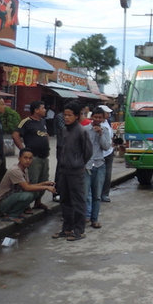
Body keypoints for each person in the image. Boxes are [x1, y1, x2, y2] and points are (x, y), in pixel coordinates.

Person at [52, 102, 92, 241]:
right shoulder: (64, 130)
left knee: (78, 201)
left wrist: (78, 163)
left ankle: (79, 230)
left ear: (76, 116)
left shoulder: (81, 131)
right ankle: (67, 229)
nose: (67, 118)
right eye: (65, 115)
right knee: (65, 200)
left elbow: (88, 152)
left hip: (76, 172)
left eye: (70, 115)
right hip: (64, 170)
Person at [0, 149, 56, 224]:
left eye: (30, 158)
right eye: (25, 158)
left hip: (11, 198)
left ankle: (16, 213)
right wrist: (46, 187)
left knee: (35, 193)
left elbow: (28, 185)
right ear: (19, 158)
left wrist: (44, 183)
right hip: (2, 203)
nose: (28, 160)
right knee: (28, 195)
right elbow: (27, 188)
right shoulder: (15, 170)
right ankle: (12, 215)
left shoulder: (25, 169)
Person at [12, 100, 51, 212]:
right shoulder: (26, 121)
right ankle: (26, 205)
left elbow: (46, 135)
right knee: (33, 181)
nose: (45, 110)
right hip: (34, 158)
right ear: (36, 110)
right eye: (43, 108)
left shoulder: (43, 121)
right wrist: (23, 150)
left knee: (43, 180)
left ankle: (38, 202)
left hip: (44, 157)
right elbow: (15, 135)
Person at [84, 107, 112, 229]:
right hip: (87, 165)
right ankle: (86, 216)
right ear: (92, 117)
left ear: (103, 118)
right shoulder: (84, 130)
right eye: (96, 117)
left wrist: (100, 134)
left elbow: (106, 147)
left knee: (97, 195)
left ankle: (94, 219)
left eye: (100, 117)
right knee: (86, 194)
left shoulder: (105, 130)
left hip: (100, 164)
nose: (97, 119)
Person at [98, 105, 115, 202]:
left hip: (109, 152)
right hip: (100, 154)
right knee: (99, 175)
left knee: (107, 175)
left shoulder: (107, 122)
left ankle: (105, 194)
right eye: (107, 113)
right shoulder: (98, 124)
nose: (109, 114)